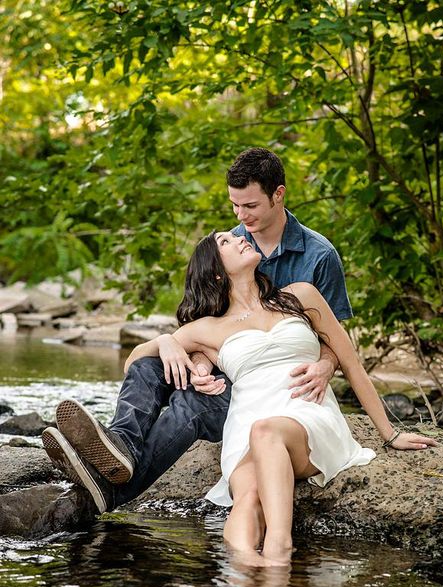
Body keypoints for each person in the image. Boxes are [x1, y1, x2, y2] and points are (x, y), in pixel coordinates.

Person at [45, 230, 436, 566]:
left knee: (267, 433)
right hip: (245, 423)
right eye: (228, 241)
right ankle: (244, 576)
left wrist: (389, 433)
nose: (240, 237)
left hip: (303, 413)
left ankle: (279, 556)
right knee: (247, 495)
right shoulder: (208, 328)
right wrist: (167, 342)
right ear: (217, 270)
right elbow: (134, 359)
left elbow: (352, 364)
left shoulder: (300, 296)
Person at [42, 148, 353, 514]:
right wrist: (181, 350)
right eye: (234, 206)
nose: (241, 218)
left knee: (190, 405)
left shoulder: (318, 256)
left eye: (250, 205)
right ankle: (121, 447)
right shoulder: (231, 244)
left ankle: (109, 492)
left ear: (279, 194)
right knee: (147, 367)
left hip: (271, 389)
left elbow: (337, 340)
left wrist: (326, 366)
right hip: (222, 367)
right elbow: (210, 325)